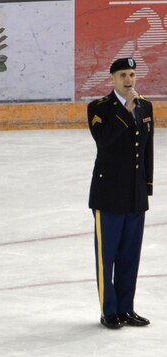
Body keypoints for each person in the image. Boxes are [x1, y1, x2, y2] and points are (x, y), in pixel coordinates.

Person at [88, 56, 154, 329]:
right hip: (109, 194)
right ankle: (109, 311)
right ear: (112, 79)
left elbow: (147, 149)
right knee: (107, 258)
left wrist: (146, 187)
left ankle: (126, 308)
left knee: (130, 256)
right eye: (123, 75)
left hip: (135, 195)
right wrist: (125, 112)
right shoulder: (99, 108)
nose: (129, 80)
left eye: (132, 75)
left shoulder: (146, 106)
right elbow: (103, 142)